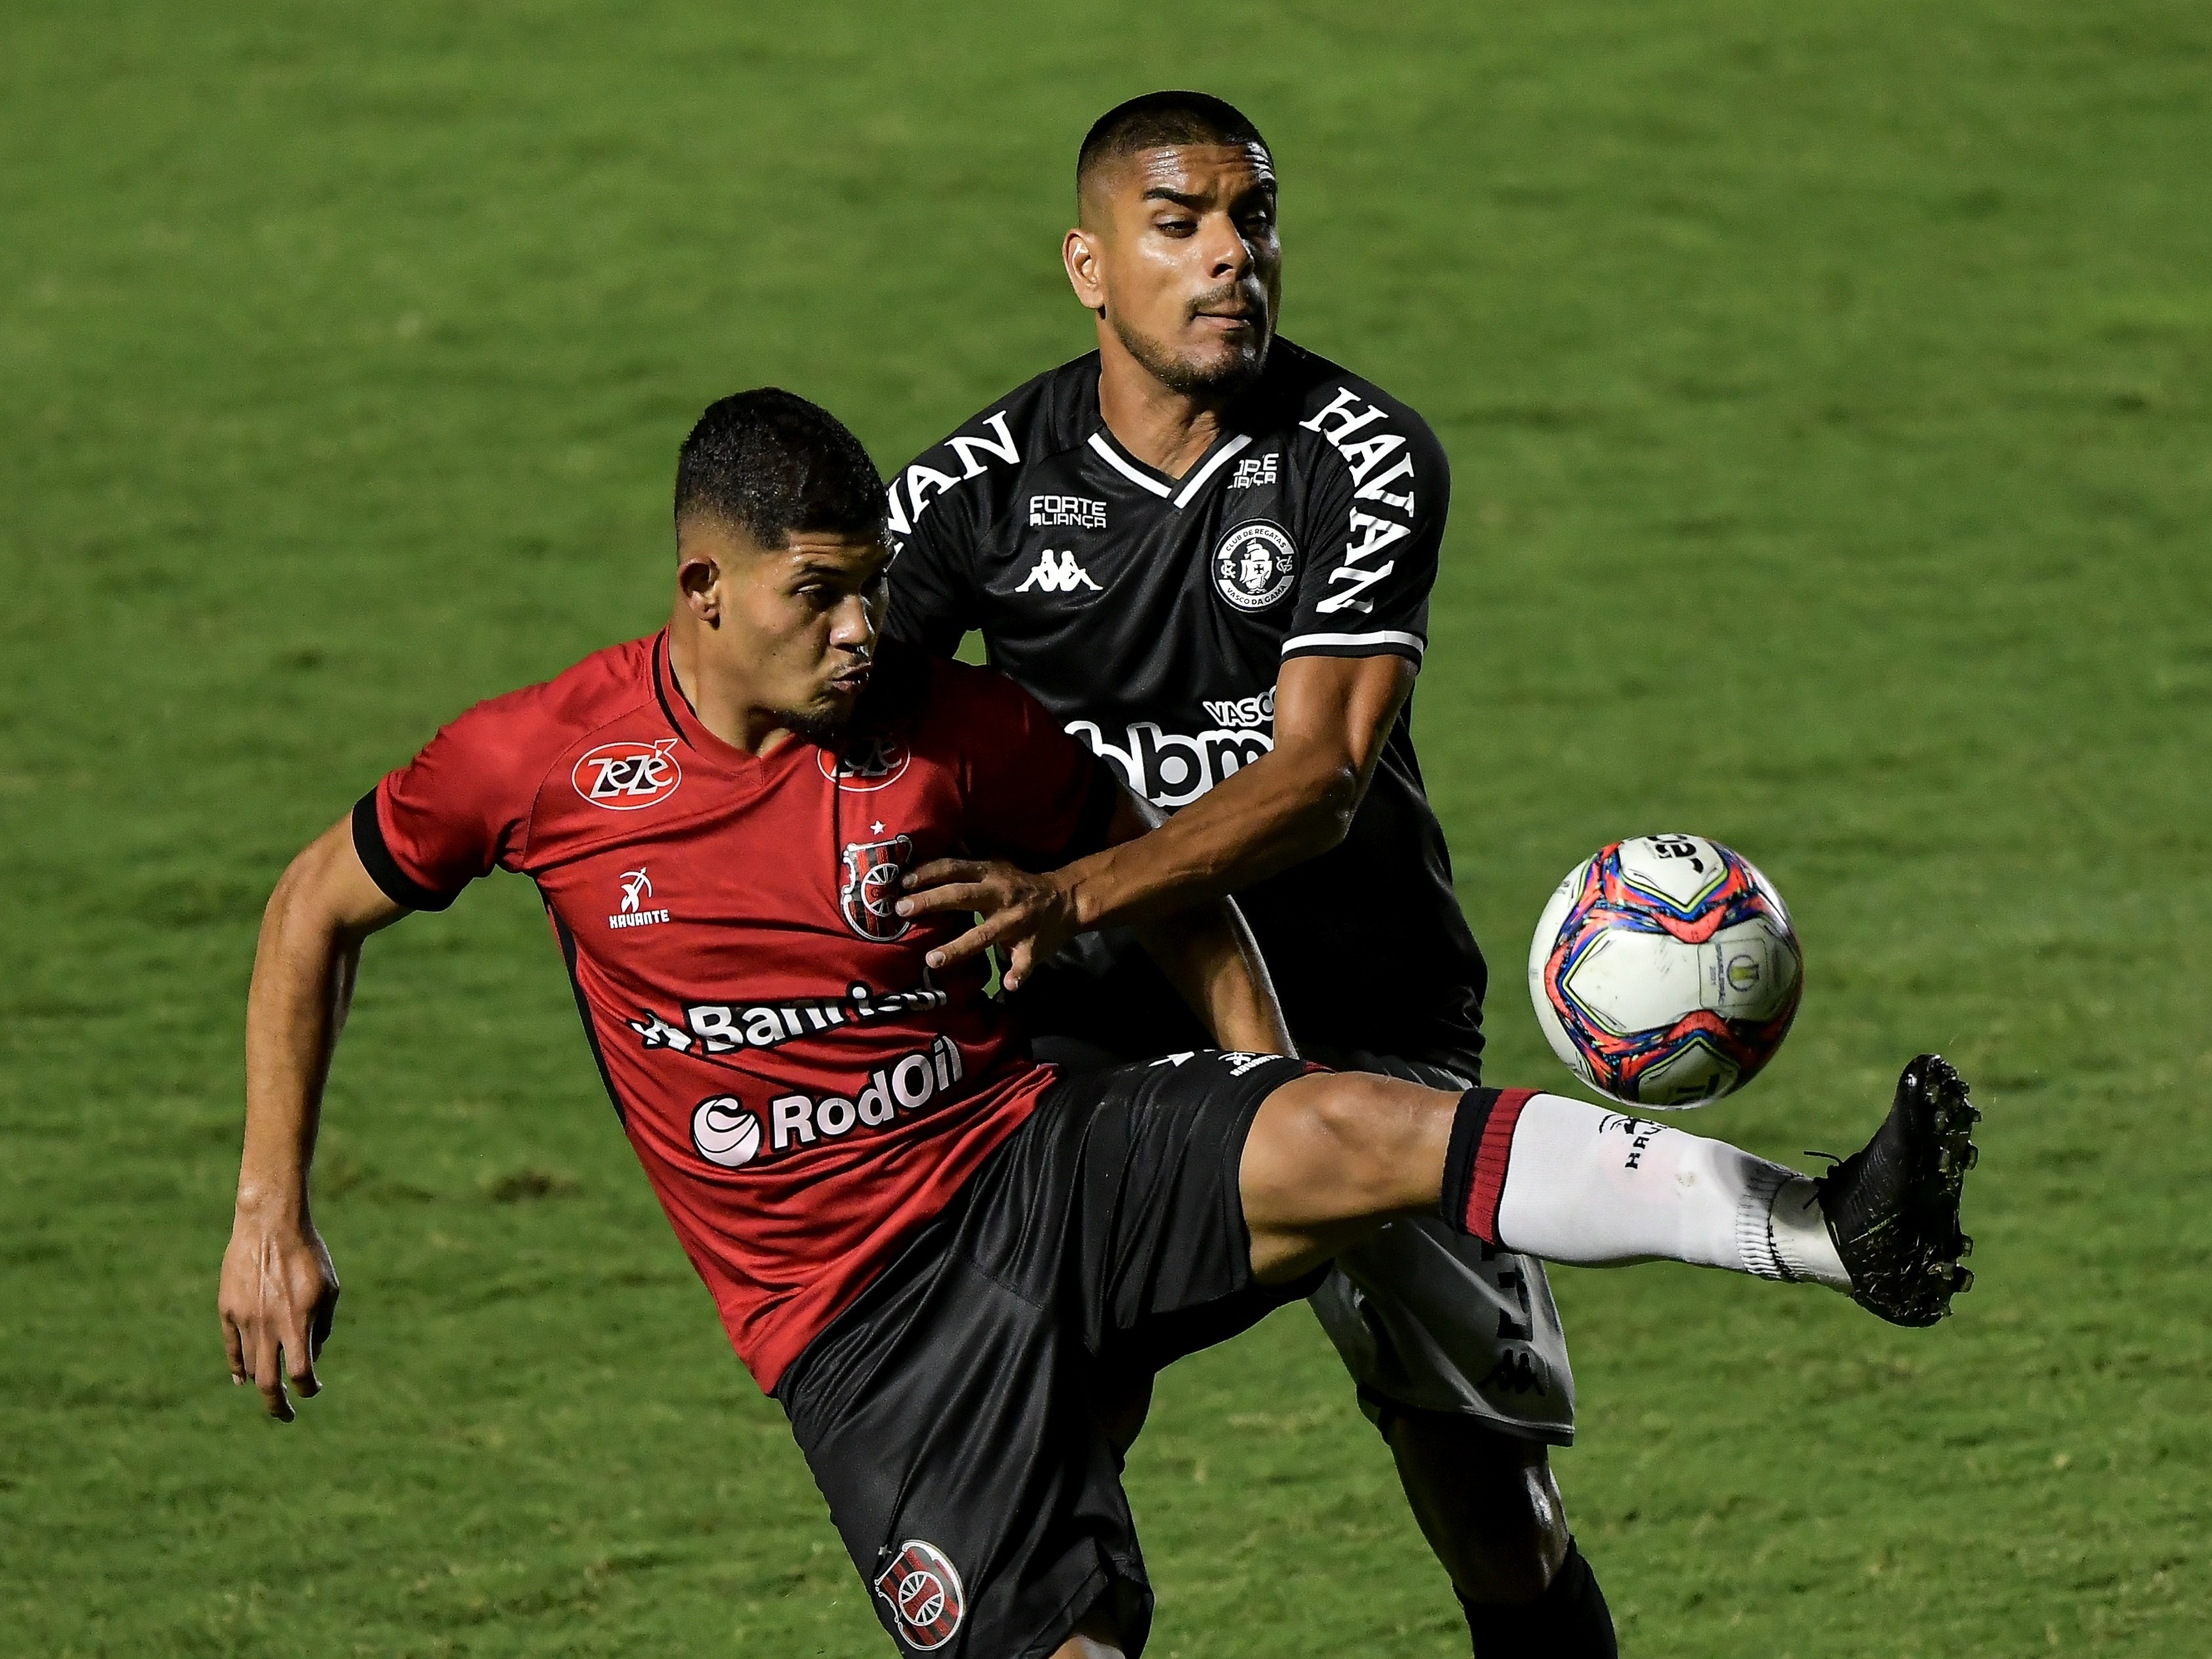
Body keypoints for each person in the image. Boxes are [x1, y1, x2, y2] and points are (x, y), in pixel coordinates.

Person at [220, 390, 1979, 1659]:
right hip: (859, 1335)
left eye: (869, 587)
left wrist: (1256, 1075)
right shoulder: (537, 766)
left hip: (1032, 1166)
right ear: (702, 591)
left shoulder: (959, 732)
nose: (863, 629)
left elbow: (1177, 885)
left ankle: (1827, 1224)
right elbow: (315, 905)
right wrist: (269, 1214)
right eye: (817, 595)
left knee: (1357, 1133)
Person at [883, 89, 1623, 1652]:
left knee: (1490, 1511)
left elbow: (1319, 785)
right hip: (1095, 1032)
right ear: (1090, 266)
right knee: (1040, 1455)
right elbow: (820, 703)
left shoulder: (1359, 450)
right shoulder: (974, 491)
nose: (1232, 257)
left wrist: (1072, 885)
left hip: (1367, 1014)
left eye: (1254, 219)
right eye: (1182, 225)